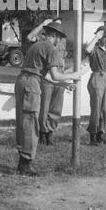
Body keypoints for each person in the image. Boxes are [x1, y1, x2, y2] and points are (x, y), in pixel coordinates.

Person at [15, 21, 80, 176]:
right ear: (56, 36)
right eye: (60, 38)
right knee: (31, 123)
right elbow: (55, 75)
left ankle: (22, 162)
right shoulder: (50, 48)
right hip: (32, 84)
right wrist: (74, 76)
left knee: (23, 122)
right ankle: (25, 165)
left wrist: (64, 84)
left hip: (23, 81)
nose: (60, 41)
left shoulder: (37, 45)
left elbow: (43, 75)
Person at [27, 17, 67, 146]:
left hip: (59, 76)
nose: (58, 28)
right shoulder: (44, 41)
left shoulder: (62, 41)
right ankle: (42, 134)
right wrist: (42, 24)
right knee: (44, 107)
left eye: (60, 26)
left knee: (56, 108)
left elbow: (63, 58)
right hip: (47, 76)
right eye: (55, 26)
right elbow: (30, 38)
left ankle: (50, 133)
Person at [85, 26, 106, 146]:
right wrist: (96, 37)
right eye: (104, 36)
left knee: (105, 110)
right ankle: (93, 136)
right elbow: (87, 50)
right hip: (97, 78)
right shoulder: (94, 49)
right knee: (96, 109)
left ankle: (101, 134)